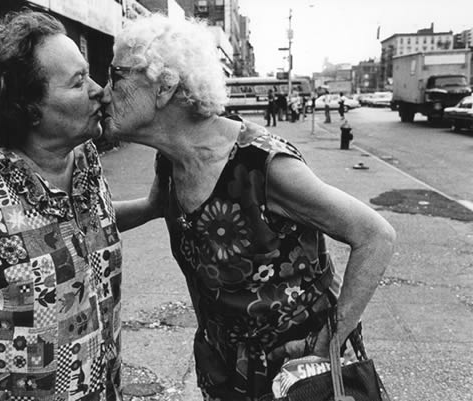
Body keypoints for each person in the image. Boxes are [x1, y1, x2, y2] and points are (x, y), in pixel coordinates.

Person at [101, 14, 396, 401]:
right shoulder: (170, 162)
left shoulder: (263, 167)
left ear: (164, 86)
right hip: (223, 362)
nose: (103, 91)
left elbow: (376, 236)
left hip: (296, 372)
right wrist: (69, 224)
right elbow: (154, 207)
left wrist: (327, 348)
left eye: (116, 76)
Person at [0, 10, 159, 401]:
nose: (99, 90)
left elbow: (75, 234)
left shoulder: (85, 158)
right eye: (78, 83)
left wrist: (151, 206)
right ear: (28, 106)